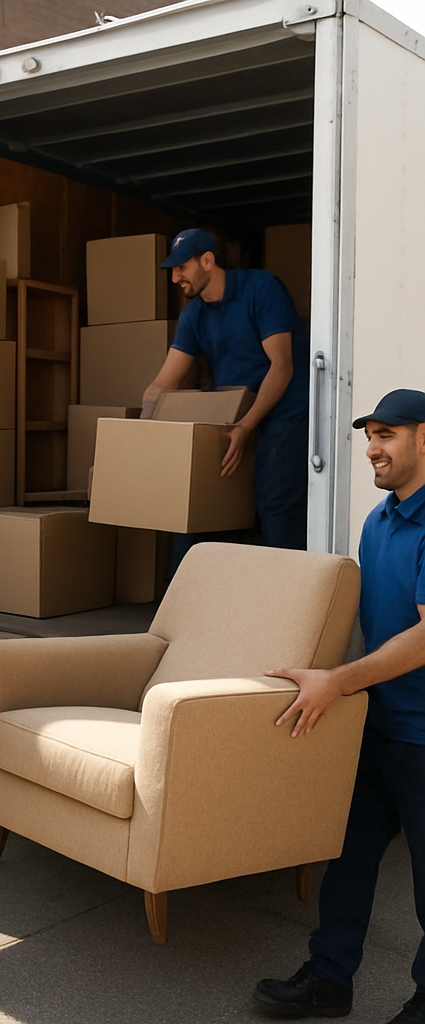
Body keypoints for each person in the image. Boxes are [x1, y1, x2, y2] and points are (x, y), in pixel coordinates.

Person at [254, 388, 425, 1024]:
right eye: (369, 435)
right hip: (378, 723)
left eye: (388, 435)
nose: (373, 448)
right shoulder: (379, 520)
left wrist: (340, 681)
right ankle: (329, 980)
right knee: (347, 860)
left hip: (423, 734)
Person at [143, 227, 310, 554]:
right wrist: (135, 443)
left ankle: (282, 600)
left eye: (182, 267)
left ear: (207, 261)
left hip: (283, 414)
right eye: (173, 270)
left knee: (276, 507)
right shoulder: (193, 315)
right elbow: (163, 383)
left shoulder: (262, 289)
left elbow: (282, 367)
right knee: (201, 503)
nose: (176, 277)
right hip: (232, 417)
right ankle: (191, 598)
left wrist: (245, 426)